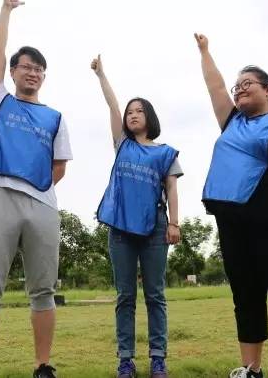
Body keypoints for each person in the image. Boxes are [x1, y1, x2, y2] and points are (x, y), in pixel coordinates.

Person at [195, 33, 268, 378]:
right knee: (245, 295)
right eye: (237, 87)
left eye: (247, 84)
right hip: (232, 223)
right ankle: (251, 368)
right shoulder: (232, 122)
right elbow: (214, 87)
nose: (239, 89)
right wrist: (205, 51)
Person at [0, 0, 72, 378]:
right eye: (26, 67)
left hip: (43, 205)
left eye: (39, 69)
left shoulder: (55, 117)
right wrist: (6, 10)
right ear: (13, 72)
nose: (32, 73)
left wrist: (38, 190)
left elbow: (59, 166)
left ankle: (43, 365)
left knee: (43, 290)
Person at [91, 54, 182, 378]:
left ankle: (158, 358)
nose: (132, 115)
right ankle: (125, 360)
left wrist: (174, 222)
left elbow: (171, 189)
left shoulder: (164, 152)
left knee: (155, 295)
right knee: (125, 296)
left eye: (138, 110)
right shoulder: (122, 146)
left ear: (150, 117)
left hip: (156, 228)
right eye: (130, 112)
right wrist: (102, 75)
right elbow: (112, 108)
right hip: (120, 229)